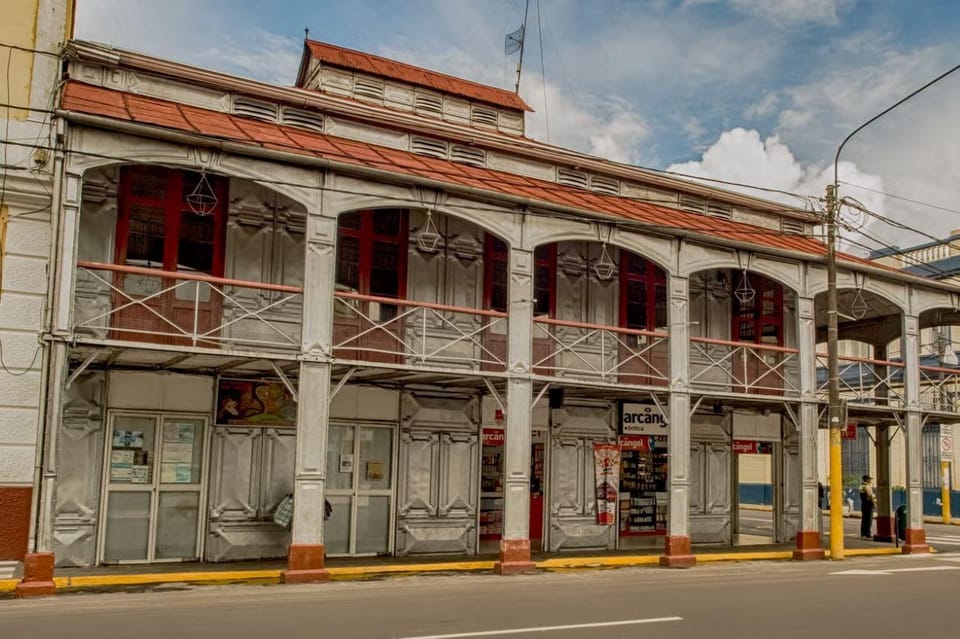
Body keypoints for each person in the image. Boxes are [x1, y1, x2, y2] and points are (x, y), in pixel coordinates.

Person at [859, 474, 876, 539]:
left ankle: (863, 534)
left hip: (863, 503)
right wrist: (874, 503)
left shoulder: (861, 486)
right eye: (869, 479)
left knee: (864, 519)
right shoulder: (867, 486)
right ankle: (867, 534)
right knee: (869, 519)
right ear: (866, 479)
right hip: (868, 504)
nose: (870, 480)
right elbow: (870, 496)